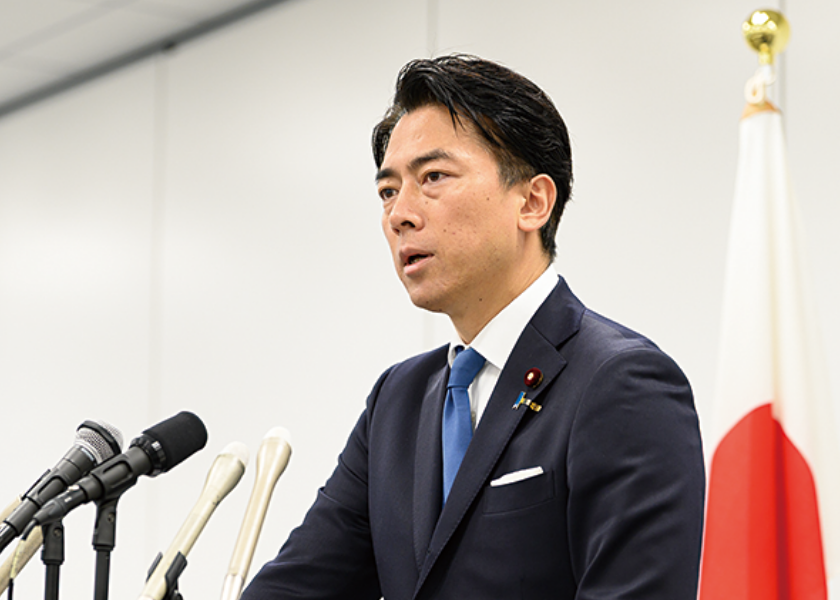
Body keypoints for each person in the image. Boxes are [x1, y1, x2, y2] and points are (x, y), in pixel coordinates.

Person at [242, 55, 705, 599]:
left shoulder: (621, 383)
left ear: (532, 202)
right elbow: (299, 586)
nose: (399, 214)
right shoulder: (397, 400)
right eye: (388, 191)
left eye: (433, 178)